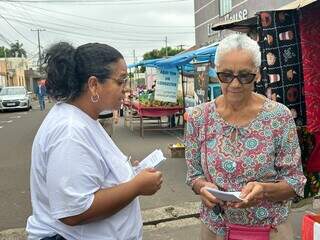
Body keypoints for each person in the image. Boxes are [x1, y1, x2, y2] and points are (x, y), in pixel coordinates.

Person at [26, 42, 163, 240]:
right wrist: (136, 187)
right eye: (121, 81)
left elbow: (92, 173)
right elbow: (73, 211)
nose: (126, 89)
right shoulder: (70, 130)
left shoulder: (84, 118)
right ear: (93, 85)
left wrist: (128, 174)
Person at [185, 34, 306, 240]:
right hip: (215, 230)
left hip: (270, 230)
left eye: (245, 76)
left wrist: (263, 191)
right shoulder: (198, 118)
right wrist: (202, 187)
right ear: (216, 71)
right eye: (226, 75)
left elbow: (295, 182)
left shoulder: (279, 116)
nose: (235, 84)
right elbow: (193, 174)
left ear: (257, 75)